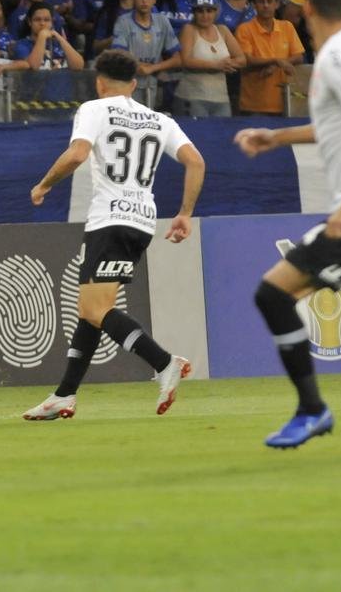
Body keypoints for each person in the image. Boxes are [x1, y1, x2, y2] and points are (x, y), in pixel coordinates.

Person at [234, 0, 341, 448]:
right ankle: (311, 409)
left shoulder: (339, 54)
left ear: (304, 10)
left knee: (272, 294)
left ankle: (312, 410)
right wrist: (277, 137)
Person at [23, 49, 205, 421]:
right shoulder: (159, 119)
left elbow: (77, 154)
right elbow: (196, 161)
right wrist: (185, 213)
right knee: (91, 311)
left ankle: (164, 362)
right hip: (141, 222)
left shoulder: (94, 108)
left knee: (94, 309)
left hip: (109, 219)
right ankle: (64, 395)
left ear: (99, 83)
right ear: (134, 84)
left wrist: (44, 184)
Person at [236, 0, 304, 116]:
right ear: (254, 5)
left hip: (285, 103)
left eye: (269, 1)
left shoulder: (287, 26)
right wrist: (276, 61)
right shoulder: (244, 29)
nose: (266, 5)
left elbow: (299, 56)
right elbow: (247, 60)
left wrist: (276, 64)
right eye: (261, 2)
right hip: (253, 106)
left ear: (277, 4)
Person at [175, 0, 246, 116]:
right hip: (192, 96)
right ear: (194, 13)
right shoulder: (189, 29)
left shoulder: (223, 30)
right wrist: (217, 65)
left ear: (216, 12)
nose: (205, 15)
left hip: (221, 98)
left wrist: (228, 63)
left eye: (209, 11)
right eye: (200, 11)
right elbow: (186, 60)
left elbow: (242, 59)